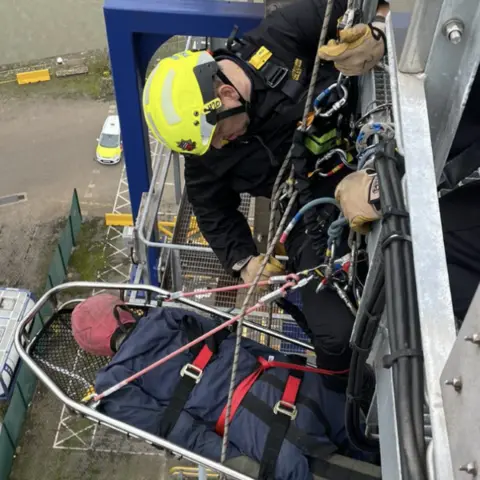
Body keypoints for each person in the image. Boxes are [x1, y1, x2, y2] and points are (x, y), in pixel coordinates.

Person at [141, 0, 390, 382]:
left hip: (371, 138)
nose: (223, 146)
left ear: (225, 93)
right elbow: (212, 210)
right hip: (310, 206)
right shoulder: (207, 154)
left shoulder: (283, 35)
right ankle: (351, 410)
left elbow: (368, 6)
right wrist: (245, 261)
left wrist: (379, 36)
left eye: (222, 134)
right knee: (334, 336)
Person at [72, 294, 382, 480]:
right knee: (374, 439)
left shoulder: (114, 384)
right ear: (122, 311)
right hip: (296, 381)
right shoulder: (167, 316)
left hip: (267, 432)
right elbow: (236, 341)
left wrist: (242, 465)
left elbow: (181, 433)